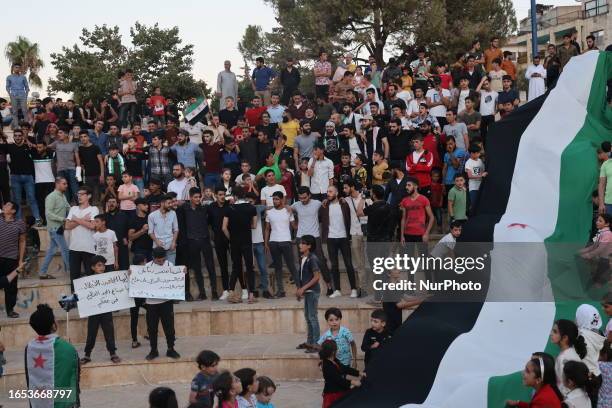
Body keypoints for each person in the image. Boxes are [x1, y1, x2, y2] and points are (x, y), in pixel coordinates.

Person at [25, 304, 80, 408]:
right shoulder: (67, 348)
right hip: (62, 402)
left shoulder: (29, 347)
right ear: (53, 325)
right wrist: (67, 345)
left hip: (38, 402)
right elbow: (74, 376)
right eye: (54, 318)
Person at [80, 255, 121, 365]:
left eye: (103, 265)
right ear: (93, 267)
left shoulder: (109, 278)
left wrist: (128, 274)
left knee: (109, 332)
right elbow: (82, 294)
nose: (102, 267)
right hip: (93, 312)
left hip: (106, 310)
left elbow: (120, 285)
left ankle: (113, 353)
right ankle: (87, 355)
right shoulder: (87, 281)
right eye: (99, 265)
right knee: (91, 332)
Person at [143, 246, 182, 361]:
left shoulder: (169, 265)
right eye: (159, 260)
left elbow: (176, 279)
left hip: (166, 302)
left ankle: (171, 348)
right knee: (152, 328)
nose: (161, 263)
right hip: (151, 304)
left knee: (169, 327)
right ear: (153, 258)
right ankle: (153, 350)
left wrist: (182, 272)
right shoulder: (146, 267)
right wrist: (132, 274)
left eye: (163, 260)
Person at [320, 186, 359, 298]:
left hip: (343, 237)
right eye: (327, 191)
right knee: (334, 265)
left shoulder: (344, 204)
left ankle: (354, 289)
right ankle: (337, 290)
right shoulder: (324, 206)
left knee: (348, 264)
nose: (328, 193)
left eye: (331, 191)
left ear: (336, 193)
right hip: (331, 238)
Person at [180, 187, 218, 300]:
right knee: (197, 268)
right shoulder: (184, 209)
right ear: (190, 198)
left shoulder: (205, 209)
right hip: (191, 242)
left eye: (199, 197)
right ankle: (202, 292)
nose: (197, 199)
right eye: (195, 197)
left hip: (205, 240)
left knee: (211, 266)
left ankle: (214, 291)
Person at [222, 186, 257, 302]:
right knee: (249, 267)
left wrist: (231, 237)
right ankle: (251, 294)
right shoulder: (251, 208)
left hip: (234, 242)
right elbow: (254, 225)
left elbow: (224, 228)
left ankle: (231, 292)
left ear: (235, 196)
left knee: (236, 267)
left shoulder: (229, 208)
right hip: (247, 240)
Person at [0, 128, 42, 223]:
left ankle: (37, 218)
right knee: (17, 200)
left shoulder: (28, 146)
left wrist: (28, 141)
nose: (18, 137)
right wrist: (2, 134)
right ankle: (19, 220)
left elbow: (39, 150)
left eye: (20, 136)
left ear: (22, 136)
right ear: (13, 137)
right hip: (15, 178)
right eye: (16, 136)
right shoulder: (9, 147)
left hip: (28, 177)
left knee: (32, 198)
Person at [265, 191, 298, 298]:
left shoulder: (288, 211)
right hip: (273, 242)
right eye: (273, 199)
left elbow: (294, 226)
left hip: (286, 241)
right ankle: (281, 291)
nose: (275, 201)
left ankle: (300, 288)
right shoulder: (269, 212)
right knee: (277, 267)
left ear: (282, 199)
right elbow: (267, 229)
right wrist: (266, 243)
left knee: (291, 266)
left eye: (277, 199)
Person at [65, 186, 98, 288]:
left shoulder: (93, 209)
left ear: (89, 196)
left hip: (89, 248)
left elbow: (93, 226)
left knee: (90, 277)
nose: (79, 196)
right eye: (78, 194)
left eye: (82, 194)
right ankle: (74, 303)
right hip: (74, 248)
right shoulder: (73, 208)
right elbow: (67, 226)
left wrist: (76, 219)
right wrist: (83, 219)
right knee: (74, 278)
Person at [400, 178, 434, 275]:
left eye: (409, 185)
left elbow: (431, 217)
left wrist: (426, 233)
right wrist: (402, 235)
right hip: (408, 234)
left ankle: (430, 288)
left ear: (415, 186)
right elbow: (403, 218)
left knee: (425, 261)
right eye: (406, 185)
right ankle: (411, 288)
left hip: (421, 234)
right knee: (410, 262)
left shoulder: (423, 199)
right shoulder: (405, 201)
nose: (406, 187)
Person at [39, 177, 70, 279]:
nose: (66, 185)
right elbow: (48, 213)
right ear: (57, 184)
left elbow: (68, 208)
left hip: (58, 227)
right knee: (65, 250)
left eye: (66, 184)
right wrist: (63, 219)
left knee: (51, 251)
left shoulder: (62, 196)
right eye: (64, 183)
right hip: (55, 228)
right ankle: (71, 271)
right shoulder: (51, 197)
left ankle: (42, 272)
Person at [295, 234, 321, 352]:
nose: (300, 245)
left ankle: (316, 344)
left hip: (312, 291)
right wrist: (300, 290)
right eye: (300, 243)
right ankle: (310, 342)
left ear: (309, 246)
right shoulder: (303, 258)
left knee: (312, 317)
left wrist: (303, 288)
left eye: (303, 243)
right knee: (308, 316)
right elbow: (302, 276)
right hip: (307, 292)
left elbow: (316, 277)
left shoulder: (313, 259)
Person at [0, 201, 26, 318]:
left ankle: (10, 309)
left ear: (13, 211)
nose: (4, 206)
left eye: (8, 205)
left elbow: (22, 241)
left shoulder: (20, 223)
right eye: (4, 205)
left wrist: (20, 259)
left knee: (11, 287)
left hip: (12, 259)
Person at [319, 339, 361, 408]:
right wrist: (353, 382)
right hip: (332, 394)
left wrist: (359, 373)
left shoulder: (334, 360)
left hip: (338, 390)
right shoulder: (327, 365)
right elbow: (338, 379)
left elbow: (344, 368)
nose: (337, 350)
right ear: (333, 352)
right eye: (336, 349)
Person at [550, 319, 587, 395]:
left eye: (555, 332)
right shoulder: (569, 353)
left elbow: (566, 387)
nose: (551, 334)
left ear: (565, 338)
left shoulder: (564, 358)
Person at [575, 304, 605, 378]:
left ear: (582, 318)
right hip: (596, 374)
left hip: (582, 376)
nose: (575, 319)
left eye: (577, 317)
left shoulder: (581, 336)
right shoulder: (599, 335)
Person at [148, 194, 179, 264]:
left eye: (171, 203)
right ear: (162, 203)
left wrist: (174, 242)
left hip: (171, 246)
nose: (171, 205)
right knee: (158, 270)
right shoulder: (152, 216)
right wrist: (157, 241)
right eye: (169, 203)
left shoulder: (173, 213)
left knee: (171, 269)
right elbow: (150, 232)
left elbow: (176, 230)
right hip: (158, 247)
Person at [5, 63, 30, 128]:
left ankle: (26, 126)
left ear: (20, 69)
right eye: (16, 67)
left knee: (24, 110)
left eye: (18, 67)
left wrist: (26, 95)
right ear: (13, 68)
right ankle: (16, 127)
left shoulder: (23, 77)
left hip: (22, 94)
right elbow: (7, 87)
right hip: (13, 95)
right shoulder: (9, 77)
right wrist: (10, 94)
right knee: (14, 112)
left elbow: (27, 87)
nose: (17, 68)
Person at [465, 144, 487, 212]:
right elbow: (470, 176)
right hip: (473, 188)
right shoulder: (468, 162)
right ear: (472, 153)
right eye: (477, 153)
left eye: (479, 152)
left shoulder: (480, 161)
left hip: (481, 186)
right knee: (474, 204)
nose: (479, 154)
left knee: (481, 205)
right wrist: (481, 175)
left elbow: (483, 171)